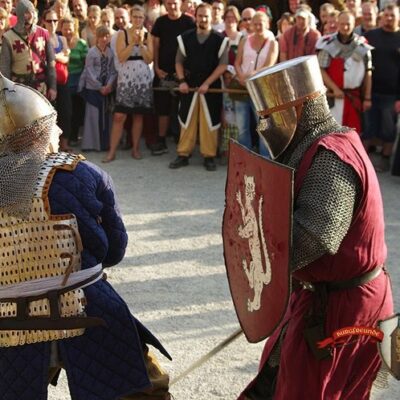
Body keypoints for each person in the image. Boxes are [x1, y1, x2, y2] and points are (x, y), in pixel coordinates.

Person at [0, 72, 171, 400]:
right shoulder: (83, 172)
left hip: (8, 318)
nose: (60, 131)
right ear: (40, 132)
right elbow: (114, 251)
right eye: (53, 125)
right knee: (144, 386)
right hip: (86, 307)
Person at [238, 55, 393, 400]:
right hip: (319, 296)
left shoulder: (331, 157)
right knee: (280, 380)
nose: (266, 124)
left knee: (308, 390)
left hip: (345, 308)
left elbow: (314, 235)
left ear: (303, 105)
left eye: (272, 115)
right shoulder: (313, 145)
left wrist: (263, 276)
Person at [169, 2, 228, 171]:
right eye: (200, 15)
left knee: (210, 122)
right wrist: (182, 81)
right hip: (190, 85)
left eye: (206, 16)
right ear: (196, 16)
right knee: (187, 120)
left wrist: (207, 83)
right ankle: (183, 154)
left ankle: (209, 155)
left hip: (211, 87)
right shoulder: (186, 37)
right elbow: (178, 61)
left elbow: (223, 65)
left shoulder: (220, 40)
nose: (203, 18)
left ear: (212, 17)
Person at [104, 5, 153, 162]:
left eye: (141, 17)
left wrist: (142, 44)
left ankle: (136, 149)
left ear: (144, 19)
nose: (138, 20)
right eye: (135, 16)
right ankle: (112, 152)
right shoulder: (122, 34)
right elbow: (122, 57)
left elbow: (149, 59)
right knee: (120, 115)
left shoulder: (148, 35)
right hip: (126, 79)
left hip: (142, 79)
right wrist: (132, 43)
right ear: (131, 18)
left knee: (138, 115)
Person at [150, 0, 195, 155]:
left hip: (184, 73)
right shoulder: (160, 22)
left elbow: (194, 45)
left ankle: (182, 141)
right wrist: (156, 68)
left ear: (180, 3)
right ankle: (162, 140)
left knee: (184, 107)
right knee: (162, 106)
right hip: (164, 72)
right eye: (169, 3)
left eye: (174, 2)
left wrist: (185, 72)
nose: (172, 6)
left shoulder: (189, 21)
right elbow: (155, 46)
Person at [317, 10, 372, 135]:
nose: (345, 27)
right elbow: (321, 69)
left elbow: (368, 73)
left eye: (348, 24)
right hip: (334, 98)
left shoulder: (362, 45)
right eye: (342, 24)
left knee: (353, 134)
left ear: (354, 24)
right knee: (332, 134)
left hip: (354, 98)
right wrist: (334, 88)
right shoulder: (327, 45)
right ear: (337, 23)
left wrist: (367, 97)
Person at [234, 11, 278, 155]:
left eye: (261, 23)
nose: (258, 26)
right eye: (256, 23)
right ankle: (245, 157)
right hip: (242, 89)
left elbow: (269, 66)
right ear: (251, 24)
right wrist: (241, 77)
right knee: (242, 127)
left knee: (263, 127)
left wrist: (249, 77)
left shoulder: (272, 43)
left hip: (260, 90)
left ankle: (265, 159)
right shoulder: (244, 40)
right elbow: (237, 62)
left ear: (267, 24)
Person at [363, 3, 400, 172]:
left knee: (388, 129)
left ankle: (384, 160)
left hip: (392, 94)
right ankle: (364, 163)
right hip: (370, 91)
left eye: (393, 15)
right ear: (381, 16)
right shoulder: (370, 35)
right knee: (368, 127)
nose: (389, 18)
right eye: (386, 15)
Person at [0, 0, 56, 101]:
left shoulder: (43, 33)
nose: (30, 15)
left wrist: (53, 87)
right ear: (20, 14)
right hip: (19, 88)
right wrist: (7, 92)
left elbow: (51, 63)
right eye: (26, 12)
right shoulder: (8, 37)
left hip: (40, 87)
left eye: (32, 11)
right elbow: (5, 69)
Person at [79, 25, 117, 152]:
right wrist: (99, 86)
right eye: (101, 36)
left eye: (106, 36)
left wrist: (109, 85)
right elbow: (89, 71)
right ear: (97, 37)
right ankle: (91, 144)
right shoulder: (91, 52)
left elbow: (113, 71)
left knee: (107, 116)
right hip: (93, 88)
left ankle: (106, 143)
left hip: (106, 87)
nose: (104, 39)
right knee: (93, 116)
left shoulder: (110, 52)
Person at [43, 8, 71, 152]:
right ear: (43, 21)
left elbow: (67, 58)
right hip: (47, 81)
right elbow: (44, 60)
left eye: (55, 20)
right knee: (50, 113)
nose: (52, 23)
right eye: (49, 20)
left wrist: (53, 56)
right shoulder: (41, 38)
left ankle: (64, 144)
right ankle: (51, 146)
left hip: (63, 82)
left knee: (65, 111)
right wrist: (59, 55)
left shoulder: (62, 39)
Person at [61, 17, 88, 146]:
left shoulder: (81, 44)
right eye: (65, 29)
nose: (67, 32)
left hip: (78, 80)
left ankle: (73, 136)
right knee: (66, 110)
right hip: (62, 80)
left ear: (75, 29)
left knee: (76, 110)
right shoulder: (59, 42)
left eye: (70, 29)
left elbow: (86, 64)